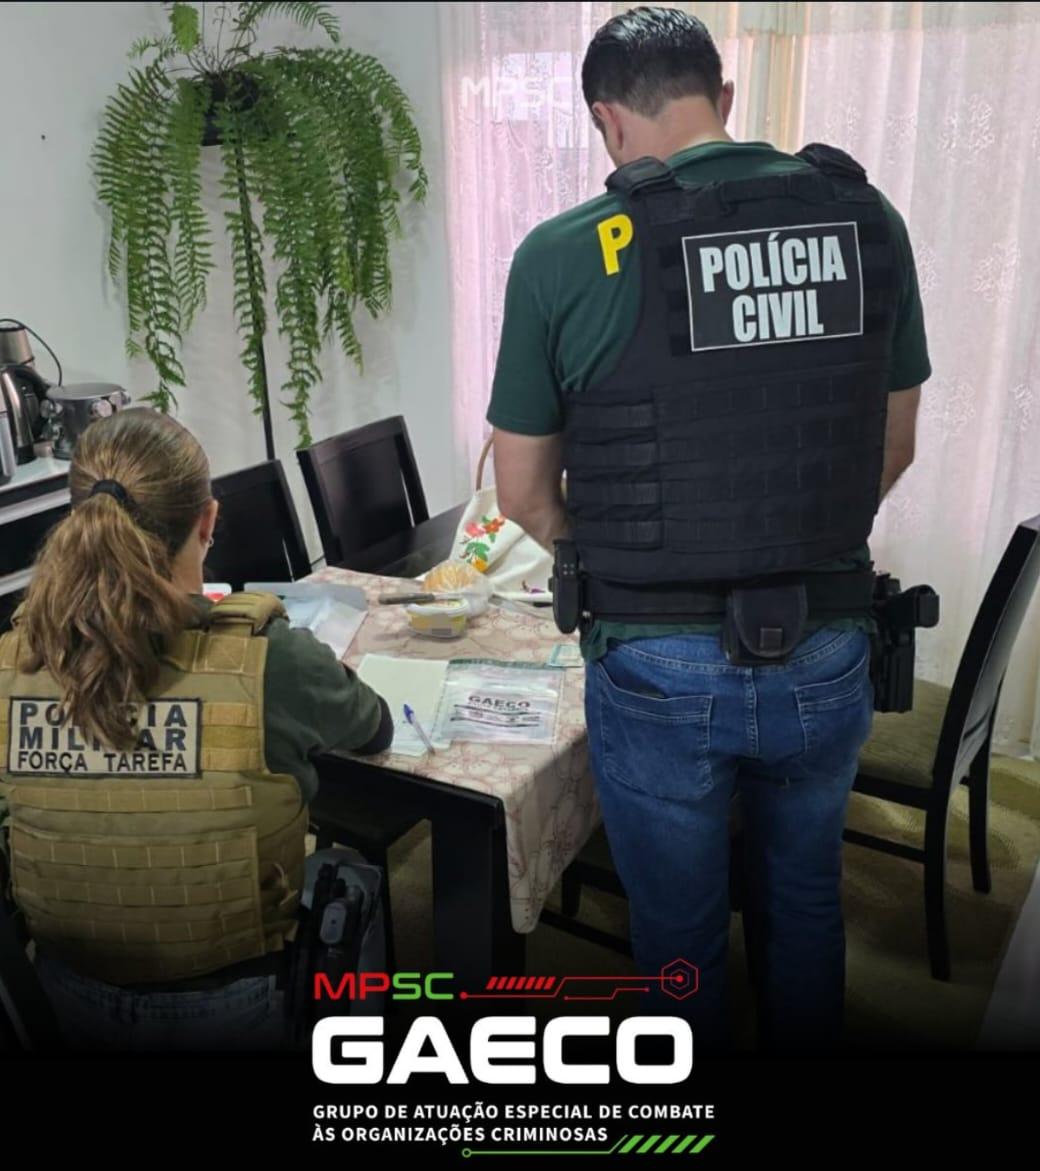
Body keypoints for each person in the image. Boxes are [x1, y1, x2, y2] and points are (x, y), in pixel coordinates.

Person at [488, 7, 930, 1054]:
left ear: (605, 119)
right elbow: (893, 447)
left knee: (678, 938)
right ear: (723, 98)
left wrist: (626, 550)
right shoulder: (864, 217)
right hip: (828, 642)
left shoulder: (563, 253)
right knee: (804, 900)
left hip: (653, 659)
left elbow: (524, 494)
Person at [0, 407, 393, 1051]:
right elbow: (373, 728)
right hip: (242, 1003)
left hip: (60, 997)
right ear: (207, 522)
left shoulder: (13, 662)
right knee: (355, 878)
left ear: (76, 518)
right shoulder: (267, 657)